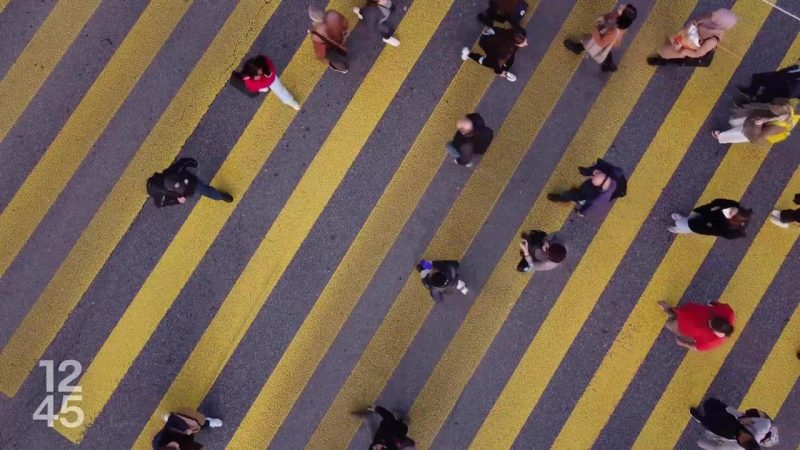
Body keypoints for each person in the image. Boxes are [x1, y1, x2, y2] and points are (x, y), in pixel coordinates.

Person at [647, 8, 737, 67]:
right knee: (669, 43)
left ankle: (664, 60)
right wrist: (688, 28)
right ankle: (667, 57)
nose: (713, 13)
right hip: (685, 39)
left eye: (716, 16)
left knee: (666, 53)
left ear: (719, 25)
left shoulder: (713, 40)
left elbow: (699, 53)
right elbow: (695, 21)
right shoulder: (709, 17)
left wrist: (685, 52)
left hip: (690, 49)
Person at [563, 4, 637, 73]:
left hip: (600, 38)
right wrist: (612, 15)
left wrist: (596, 29)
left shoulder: (614, 32)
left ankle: (578, 48)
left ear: (622, 17)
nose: (622, 6)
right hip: (604, 34)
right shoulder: (618, 19)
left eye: (624, 9)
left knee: (589, 43)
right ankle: (609, 64)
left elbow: (601, 43)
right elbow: (608, 18)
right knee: (606, 50)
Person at [547, 159, 627, 222]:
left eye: (593, 178)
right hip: (594, 190)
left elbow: (590, 205)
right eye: (596, 175)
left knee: (571, 195)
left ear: (598, 188)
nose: (592, 177)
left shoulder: (594, 197)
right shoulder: (609, 173)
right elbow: (600, 166)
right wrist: (592, 171)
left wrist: (581, 211)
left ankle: (560, 198)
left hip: (584, 194)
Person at [690, 398, 779, 449]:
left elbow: (708, 445)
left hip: (720, 429)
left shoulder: (735, 448)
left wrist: (704, 443)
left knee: (705, 421)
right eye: (747, 437)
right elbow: (765, 422)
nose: (742, 435)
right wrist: (749, 419)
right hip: (730, 417)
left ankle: (699, 418)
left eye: (742, 440)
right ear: (754, 439)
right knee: (710, 402)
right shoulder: (762, 428)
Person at [146, 158, 233, 207]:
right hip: (183, 185)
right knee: (205, 190)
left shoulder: (175, 170)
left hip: (190, 182)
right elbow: (160, 204)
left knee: (205, 190)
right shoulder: (161, 196)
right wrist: (177, 201)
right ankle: (220, 196)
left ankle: (220, 196)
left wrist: (194, 163)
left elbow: (184, 162)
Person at [712, 98, 799, 145]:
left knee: (742, 134)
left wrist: (758, 125)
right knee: (746, 122)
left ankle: (722, 136)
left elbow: (759, 136)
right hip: (765, 120)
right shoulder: (794, 103)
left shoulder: (779, 126)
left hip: (762, 130)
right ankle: (733, 126)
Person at [657, 300, 734, 351]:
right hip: (687, 313)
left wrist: (683, 343)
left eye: (710, 324)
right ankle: (669, 311)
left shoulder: (711, 342)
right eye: (712, 318)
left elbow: (695, 347)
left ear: (715, 331)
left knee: (669, 323)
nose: (709, 320)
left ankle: (669, 311)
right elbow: (718, 304)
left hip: (680, 326)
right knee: (674, 316)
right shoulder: (728, 313)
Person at [461, 27, 527, 82]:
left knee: (505, 60)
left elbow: (501, 31)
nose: (526, 44)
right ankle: (469, 54)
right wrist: (500, 73)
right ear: (515, 43)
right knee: (488, 62)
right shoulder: (505, 52)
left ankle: (489, 32)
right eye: (523, 43)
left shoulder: (513, 34)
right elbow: (497, 67)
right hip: (485, 43)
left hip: (490, 37)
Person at [668, 198, 751, 239]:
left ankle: (677, 229)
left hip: (699, 224)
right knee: (691, 216)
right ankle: (682, 219)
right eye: (733, 211)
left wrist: (691, 225)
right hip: (702, 213)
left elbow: (701, 228)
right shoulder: (733, 205)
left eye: (731, 215)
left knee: (685, 226)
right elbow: (716, 202)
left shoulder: (722, 229)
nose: (729, 211)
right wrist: (721, 206)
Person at [153, 409, 223, 450]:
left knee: (195, 424)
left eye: (173, 447)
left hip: (178, 428)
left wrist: (185, 428)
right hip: (186, 439)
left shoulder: (158, 441)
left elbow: (173, 420)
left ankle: (206, 422)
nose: (178, 447)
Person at [309, 5, 350, 73]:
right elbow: (344, 22)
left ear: (314, 20)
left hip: (334, 47)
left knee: (334, 59)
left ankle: (343, 69)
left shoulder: (317, 32)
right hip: (341, 38)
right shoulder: (332, 14)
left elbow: (320, 51)